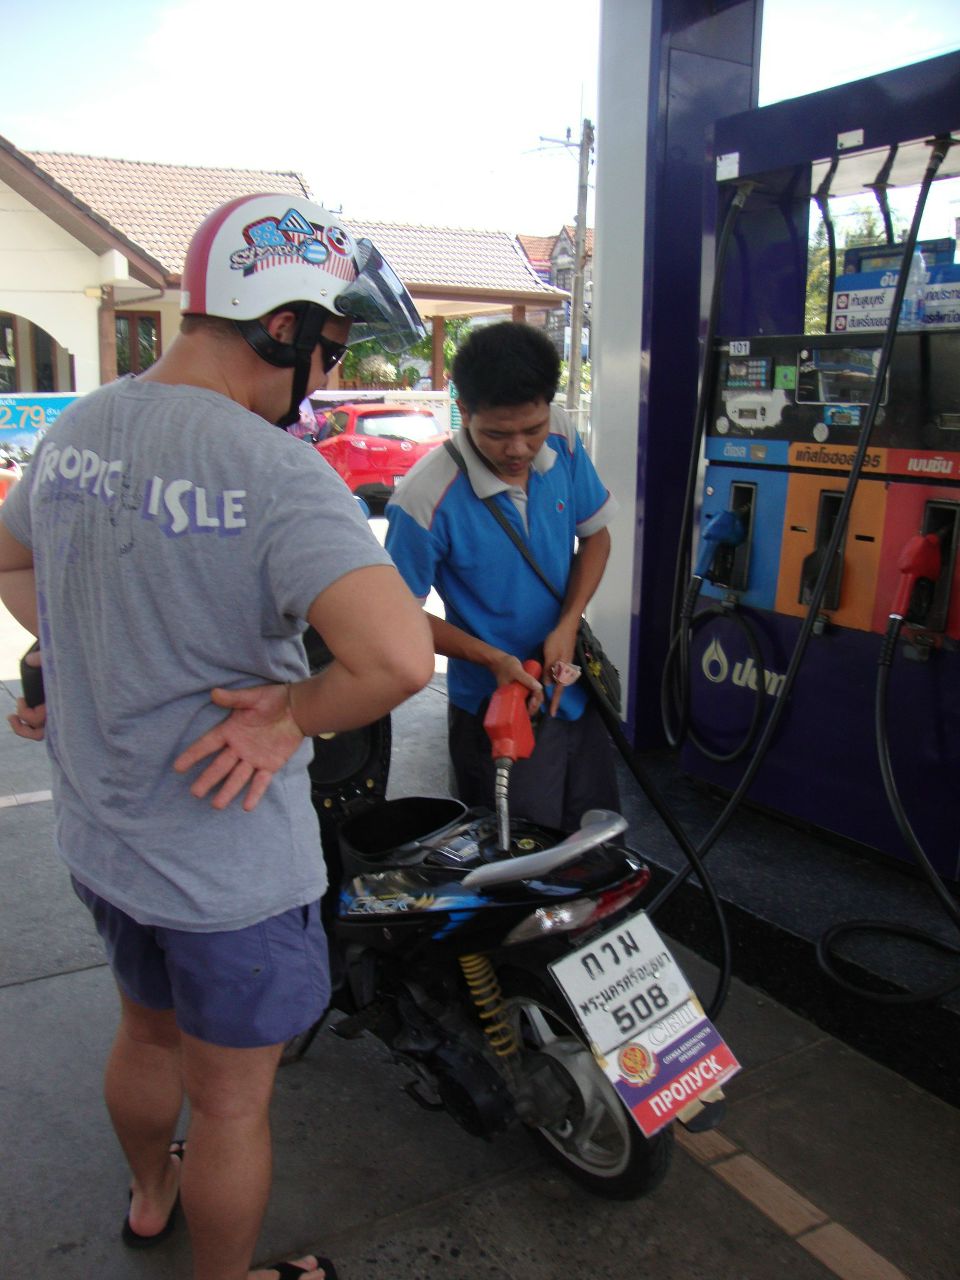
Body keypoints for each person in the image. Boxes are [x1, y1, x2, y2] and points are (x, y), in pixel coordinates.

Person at [0, 193, 434, 1280]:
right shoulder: (279, 472)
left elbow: (10, 561)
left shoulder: (80, 426)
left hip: (106, 838)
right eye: (329, 349)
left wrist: (91, 649)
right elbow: (396, 659)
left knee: (144, 1035)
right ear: (282, 326)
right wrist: (290, 712)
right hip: (229, 863)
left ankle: (152, 1198)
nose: (326, 377)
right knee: (232, 1104)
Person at [385, 320, 620, 832]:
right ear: (463, 410)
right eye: (496, 434)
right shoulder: (425, 499)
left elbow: (596, 537)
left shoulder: (563, 435)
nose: (518, 449)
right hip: (497, 711)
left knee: (595, 839)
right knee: (518, 856)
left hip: (574, 691)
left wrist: (567, 623)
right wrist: (491, 658)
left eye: (531, 430)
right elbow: (394, 618)